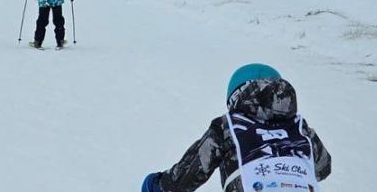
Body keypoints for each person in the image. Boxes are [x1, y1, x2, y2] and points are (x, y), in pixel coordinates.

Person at [141, 63, 331, 192]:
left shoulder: (228, 127)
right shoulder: (299, 127)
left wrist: (159, 186)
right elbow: (323, 167)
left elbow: (193, 170)